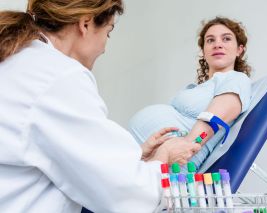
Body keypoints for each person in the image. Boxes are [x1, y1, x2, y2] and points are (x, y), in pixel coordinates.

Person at [0, 1, 201, 212]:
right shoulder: (57, 77)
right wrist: (164, 158)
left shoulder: (19, 60)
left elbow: (55, 152)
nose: (104, 48)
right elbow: (128, 195)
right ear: (85, 24)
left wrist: (132, 158)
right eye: (108, 32)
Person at [129, 17, 252, 172]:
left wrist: (187, 145)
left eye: (226, 39)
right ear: (203, 51)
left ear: (239, 50)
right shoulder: (197, 87)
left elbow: (213, 120)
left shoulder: (236, 79)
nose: (217, 44)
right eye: (210, 40)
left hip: (176, 160)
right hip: (150, 158)